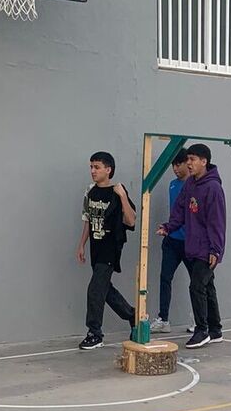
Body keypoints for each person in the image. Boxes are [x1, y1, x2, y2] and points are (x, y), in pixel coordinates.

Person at [158, 143, 226, 349]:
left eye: (192, 159)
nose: (188, 163)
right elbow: (180, 210)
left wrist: (216, 249)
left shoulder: (213, 188)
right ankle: (215, 330)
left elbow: (217, 221)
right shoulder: (190, 185)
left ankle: (201, 329)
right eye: (187, 159)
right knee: (207, 287)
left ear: (204, 162)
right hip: (192, 245)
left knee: (196, 286)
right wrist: (169, 227)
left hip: (207, 249)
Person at [77, 152, 137, 351]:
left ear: (108, 169)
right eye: (91, 167)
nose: (93, 171)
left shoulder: (117, 191)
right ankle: (131, 315)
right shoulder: (91, 191)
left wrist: (122, 196)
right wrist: (81, 245)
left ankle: (95, 333)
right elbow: (88, 219)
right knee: (105, 290)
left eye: (97, 167)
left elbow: (131, 220)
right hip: (96, 248)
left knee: (95, 290)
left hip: (110, 249)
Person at [151, 150, 190, 333]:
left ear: (187, 163)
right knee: (165, 278)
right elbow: (175, 213)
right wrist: (168, 228)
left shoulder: (194, 186)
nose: (175, 168)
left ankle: (200, 321)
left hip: (190, 242)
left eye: (178, 164)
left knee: (198, 283)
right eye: (173, 165)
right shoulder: (172, 185)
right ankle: (163, 319)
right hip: (172, 240)